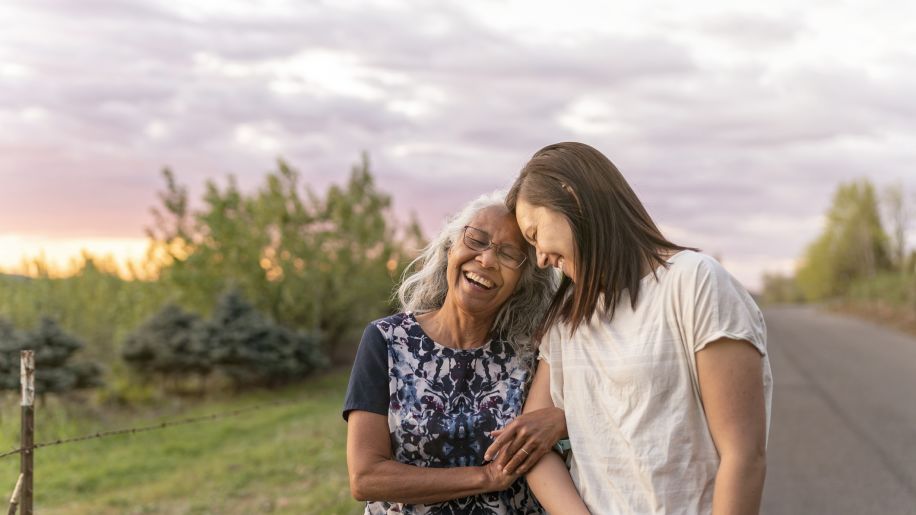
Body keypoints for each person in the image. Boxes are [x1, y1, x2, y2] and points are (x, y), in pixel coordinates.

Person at [487, 142, 773, 514]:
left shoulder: (694, 283)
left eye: (535, 233)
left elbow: (744, 457)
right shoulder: (567, 318)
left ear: (571, 197)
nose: (540, 257)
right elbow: (531, 449)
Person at [343, 192, 564, 514]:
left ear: (523, 280)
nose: (486, 260)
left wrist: (561, 420)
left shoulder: (535, 351)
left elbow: (593, 415)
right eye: (477, 240)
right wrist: (486, 477)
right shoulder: (387, 340)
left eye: (508, 254)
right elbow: (366, 478)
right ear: (450, 248)